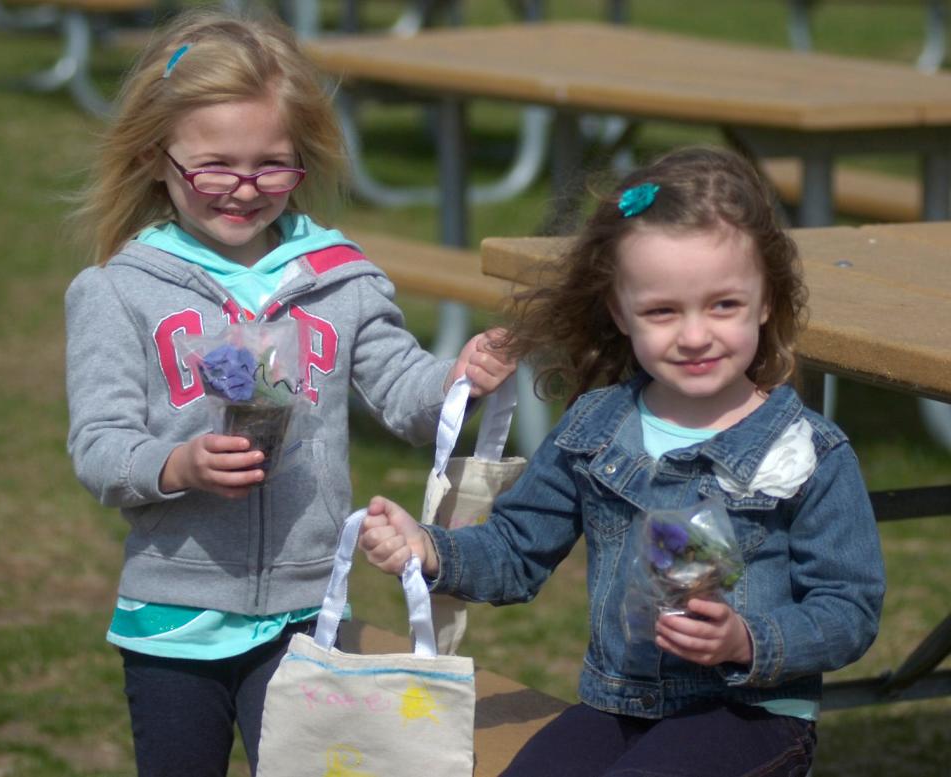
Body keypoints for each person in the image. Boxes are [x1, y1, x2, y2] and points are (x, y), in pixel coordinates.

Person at [63, 8, 514, 776]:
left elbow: (403, 391)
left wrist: (456, 375)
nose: (244, 189)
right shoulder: (119, 291)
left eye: (272, 165)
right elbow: (100, 446)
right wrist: (178, 466)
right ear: (153, 157)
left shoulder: (340, 277)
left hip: (309, 615)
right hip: (173, 623)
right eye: (215, 167)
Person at [359, 146, 885, 777]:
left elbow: (848, 610)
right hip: (619, 701)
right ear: (620, 312)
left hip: (750, 711)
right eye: (663, 311)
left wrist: (747, 641)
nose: (694, 335)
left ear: (766, 301)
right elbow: (517, 548)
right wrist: (432, 551)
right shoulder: (595, 426)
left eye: (724, 305)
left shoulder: (807, 453)